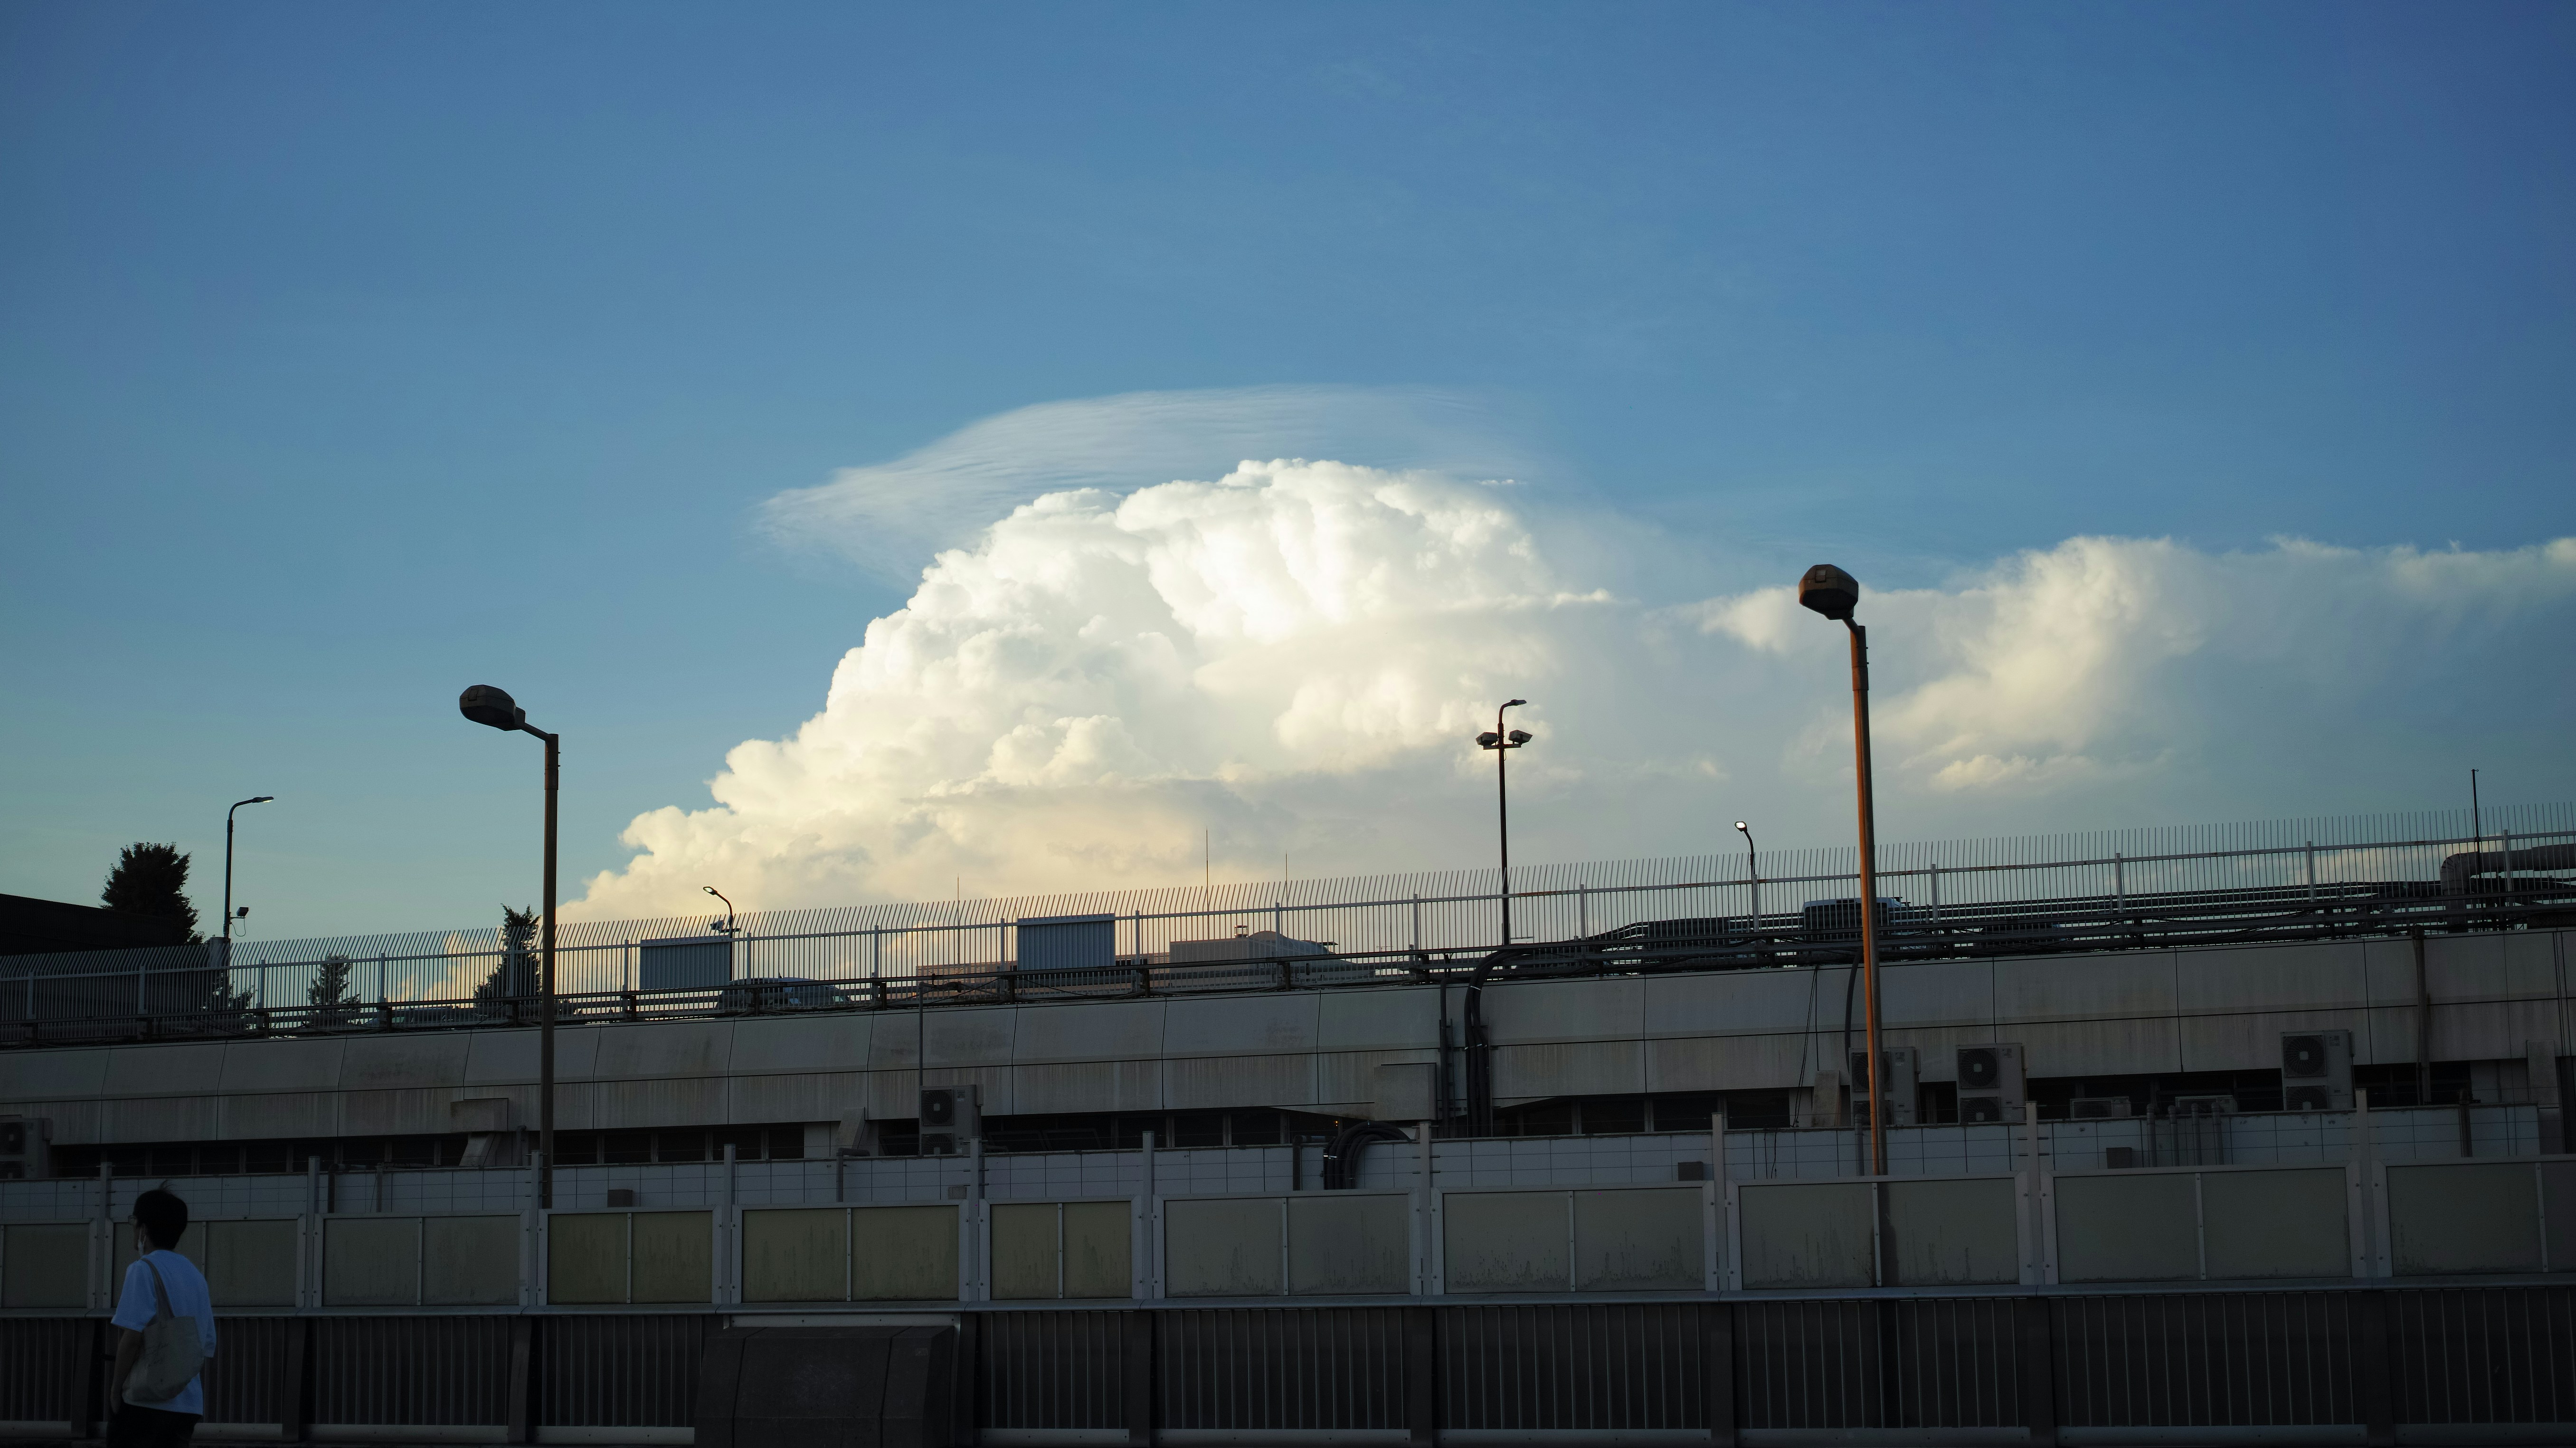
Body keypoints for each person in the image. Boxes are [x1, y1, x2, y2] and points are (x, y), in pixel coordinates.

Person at [109, 1188, 217, 1448]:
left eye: (134, 1224)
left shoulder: (142, 1270)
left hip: (145, 1402)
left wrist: (115, 1392)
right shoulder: (196, 1276)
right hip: (188, 1404)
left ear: (143, 1229)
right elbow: (207, 1343)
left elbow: (132, 1337)